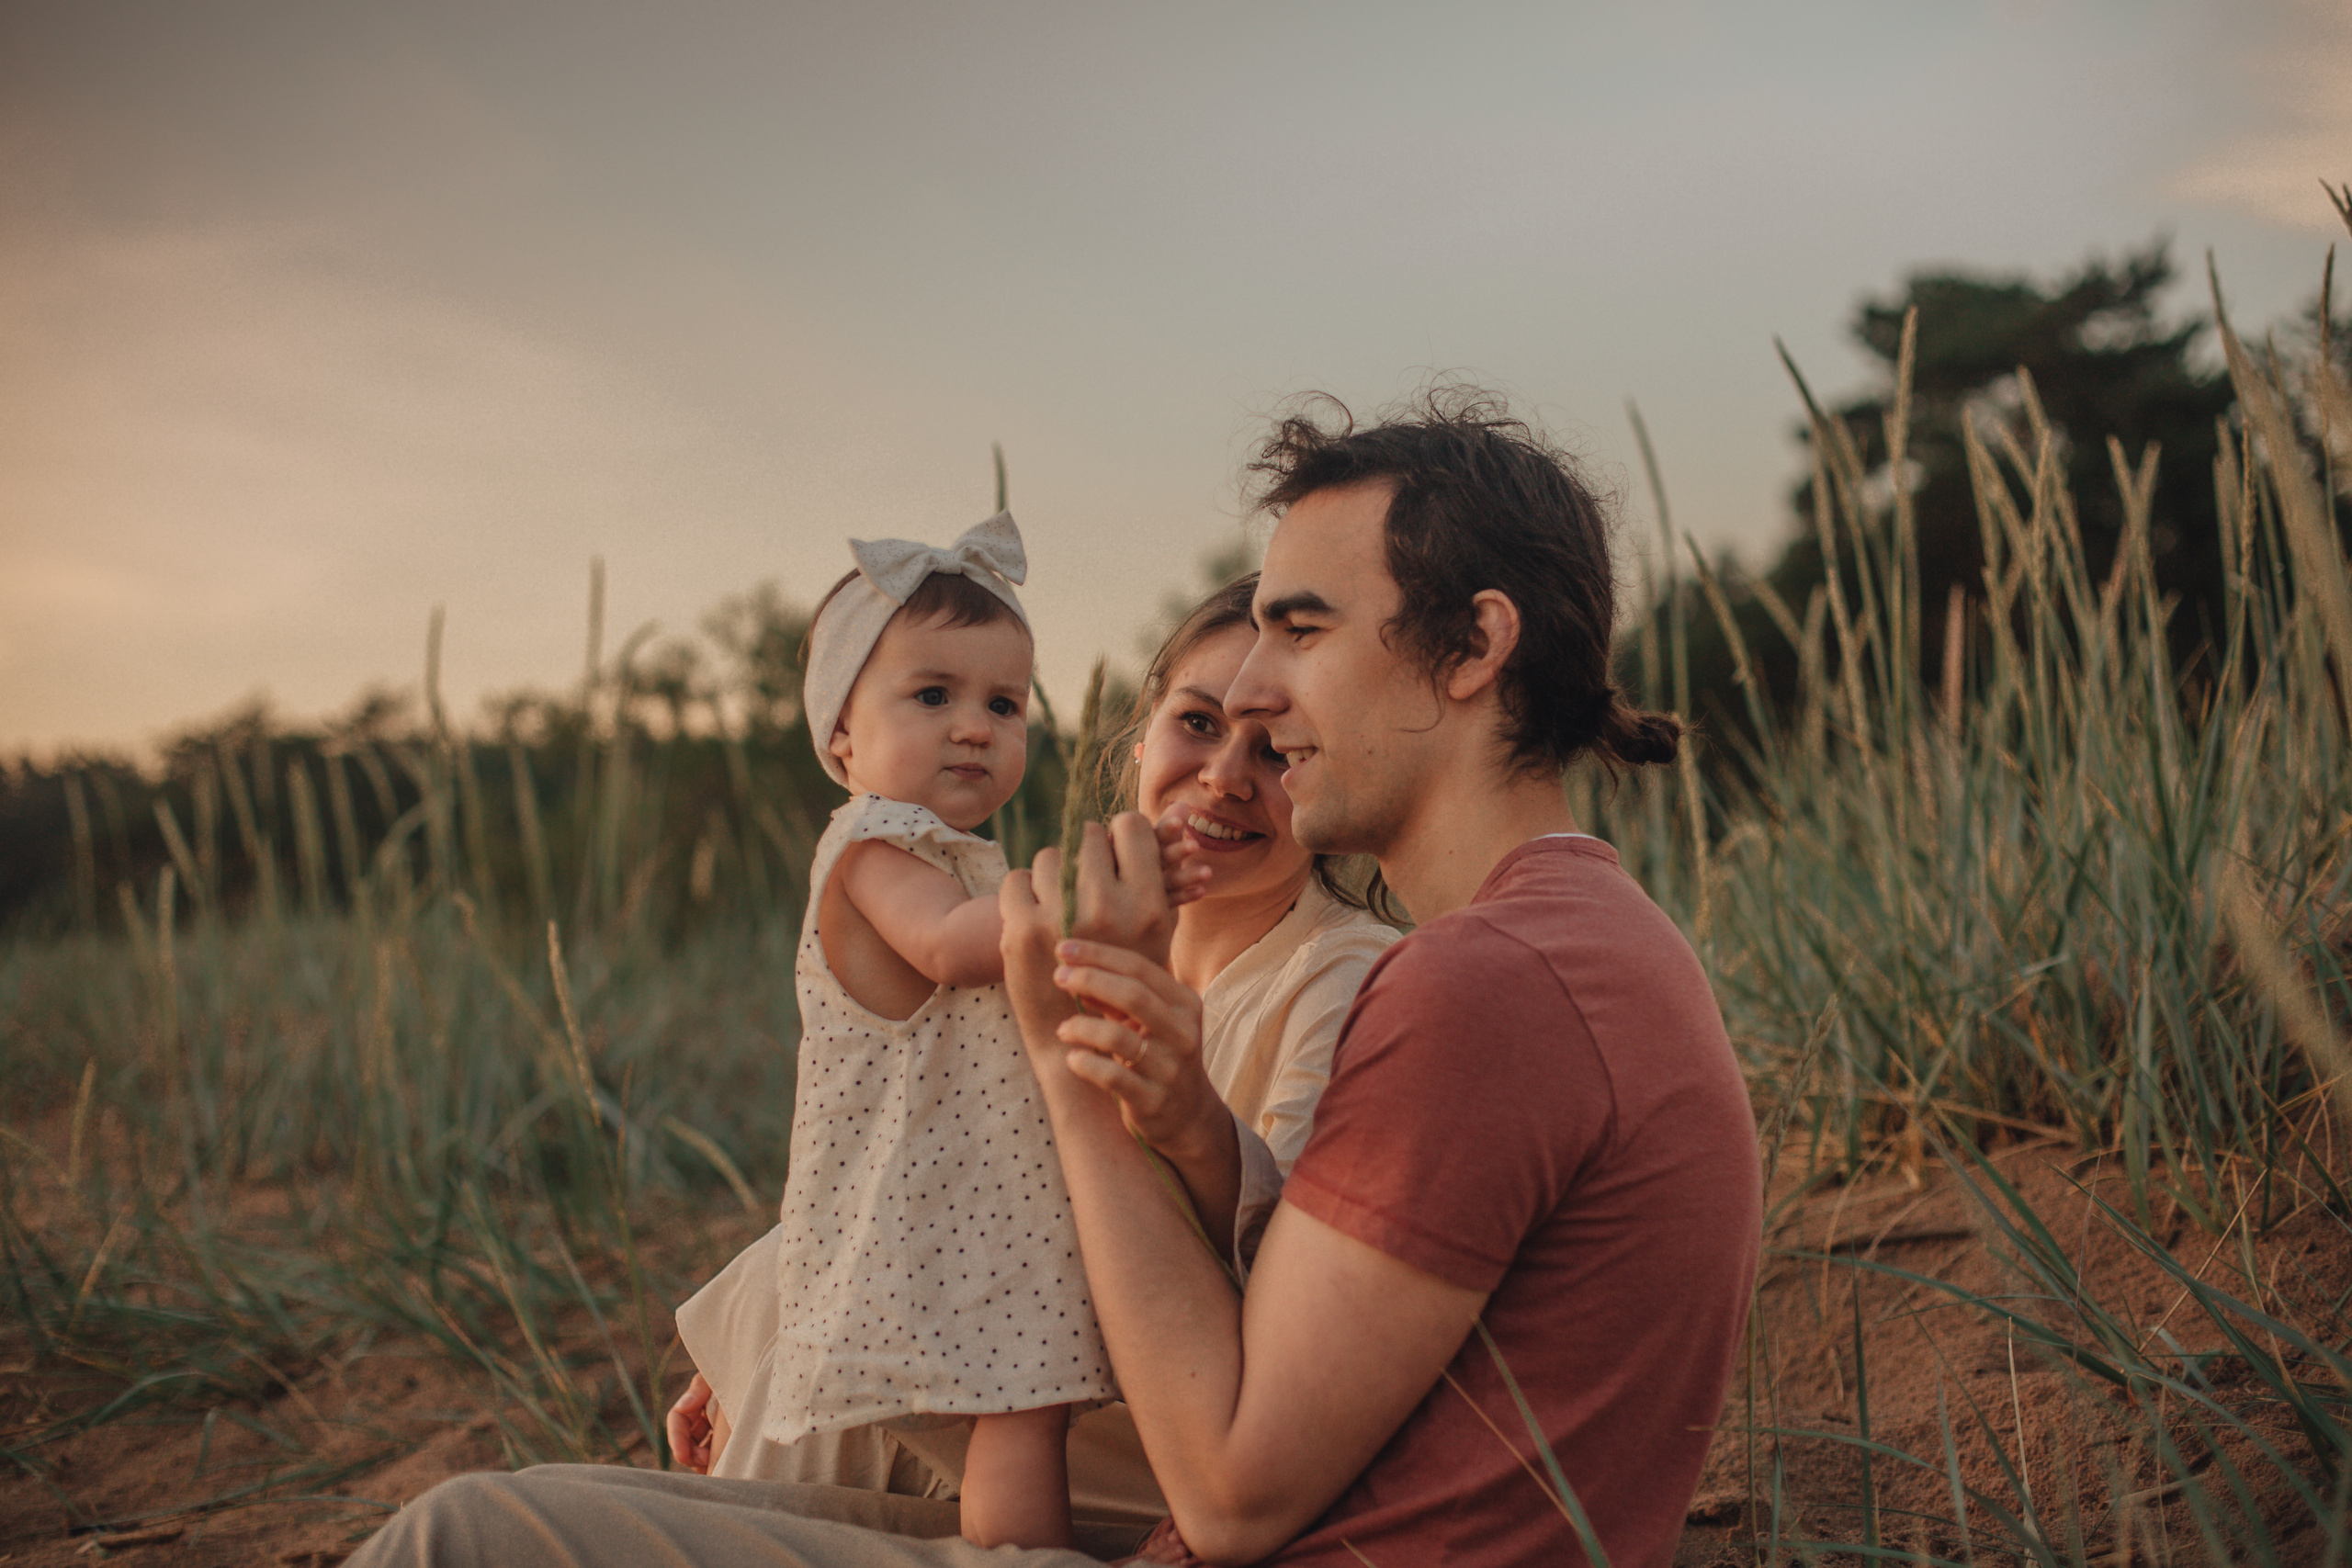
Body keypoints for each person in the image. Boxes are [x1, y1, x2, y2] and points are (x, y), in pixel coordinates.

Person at [344, 389, 1761, 1568]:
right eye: (1236, 657)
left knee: (467, 1534)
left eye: (1305, 629)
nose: (1260, 694)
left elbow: (1228, 1488)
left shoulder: (1484, 983)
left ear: (1473, 647)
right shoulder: (1576, 943)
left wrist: (1069, 1063)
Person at [665, 571, 1400, 1533]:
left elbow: (1306, 1301)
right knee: (835, 1336)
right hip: (1034, 1351)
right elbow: (948, 1165)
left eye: (1274, 748)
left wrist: (1187, 1127)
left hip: (1179, 1421)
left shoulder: (1348, 979)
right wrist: (765, 1326)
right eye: (1198, 724)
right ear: (1139, 738)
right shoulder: (1045, 941)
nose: (1226, 776)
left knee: (898, 1380)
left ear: (1324, 769)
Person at [696, 511, 1198, 1551]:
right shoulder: (870, 850)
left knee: (1028, 1410)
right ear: (841, 737)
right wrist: (1088, 894)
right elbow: (956, 947)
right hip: (930, 1195)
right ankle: (1019, 1560)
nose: (975, 725)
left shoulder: (957, 856)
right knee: (1017, 1410)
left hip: (975, 1193)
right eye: (933, 696)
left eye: (1004, 704)